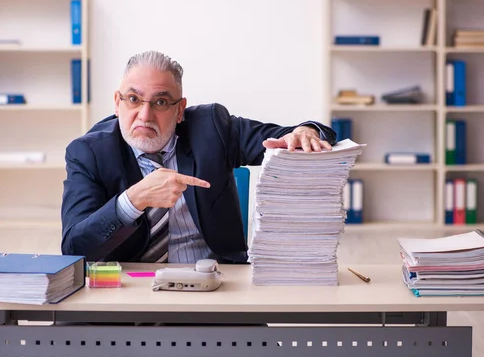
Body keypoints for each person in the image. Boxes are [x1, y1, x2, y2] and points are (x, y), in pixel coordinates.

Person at [61, 51, 336, 264]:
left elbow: (286, 138)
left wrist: (306, 131)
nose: (145, 115)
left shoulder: (211, 128)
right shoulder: (88, 154)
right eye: (133, 99)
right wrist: (133, 200)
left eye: (160, 102)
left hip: (215, 290)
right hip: (128, 293)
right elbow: (75, 247)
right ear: (117, 103)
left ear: (180, 110)